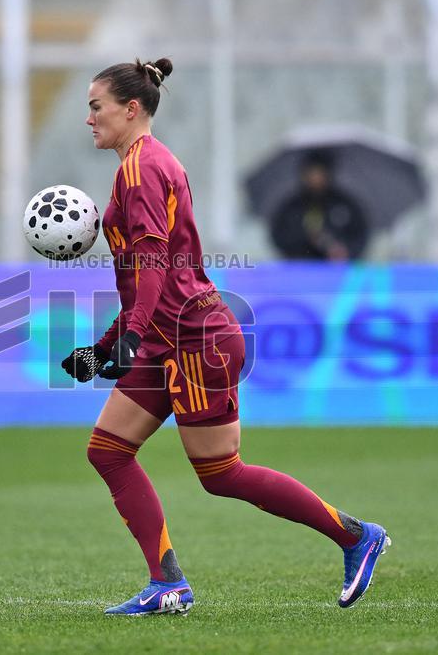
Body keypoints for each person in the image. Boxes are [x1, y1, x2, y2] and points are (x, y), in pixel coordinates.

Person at [61, 58, 389, 616]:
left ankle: (356, 535)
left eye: (96, 107)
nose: (89, 118)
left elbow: (157, 263)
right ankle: (167, 583)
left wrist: (129, 337)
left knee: (220, 473)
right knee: (109, 450)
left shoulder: (141, 171)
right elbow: (153, 275)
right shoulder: (145, 164)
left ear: (130, 108)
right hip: (173, 335)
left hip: (195, 340)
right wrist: (112, 341)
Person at [270, 151, 370, 261]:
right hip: (300, 268)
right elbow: (280, 236)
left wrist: (343, 248)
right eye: (312, 173)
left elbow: (359, 235)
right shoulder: (292, 206)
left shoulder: (344, 205)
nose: (316, 178)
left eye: (320, 173)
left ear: (328, 174)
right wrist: (305, 238)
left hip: (337, 269)